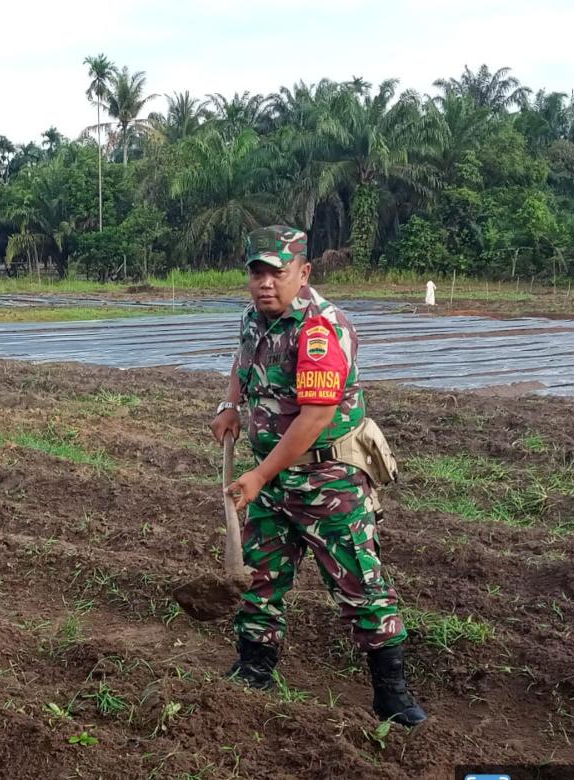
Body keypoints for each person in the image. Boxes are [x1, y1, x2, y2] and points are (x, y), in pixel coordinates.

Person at [211, 225, 427, 727]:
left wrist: (259, 475)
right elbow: (243, 359)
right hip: (272, 480)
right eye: (257, 273)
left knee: (360, 585)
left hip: (329, 480)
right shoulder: (254, 318)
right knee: (260, 578)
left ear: (303, 273)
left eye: (277, 273)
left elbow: (315, 417)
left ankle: (392, 695)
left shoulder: (320, 330)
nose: (265, 283)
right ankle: (255, 669)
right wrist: (230, 405)